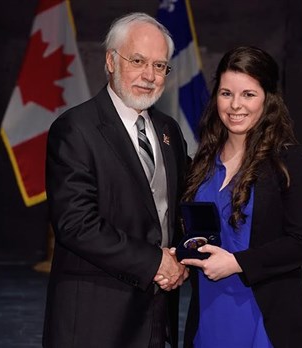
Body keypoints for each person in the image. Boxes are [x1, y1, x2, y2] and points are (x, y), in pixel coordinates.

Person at [42, 12, 189, 348]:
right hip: (95, 319)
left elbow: (180, 202)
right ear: (111, 60)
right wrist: (156, 262)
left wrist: (182, 256)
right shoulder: (75, 129)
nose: (149, 76)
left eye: (160, 65)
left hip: (155, 315)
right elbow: (76, 224)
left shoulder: (168, 130)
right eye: (137, 61)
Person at [180, 46, 302, 348]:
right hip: (208, 315)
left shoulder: (289, 161)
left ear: (268, 98)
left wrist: (238, 263)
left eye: (248, 94)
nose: (235, 105)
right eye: (226, 93)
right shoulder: (203, 159)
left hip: (264, 319)